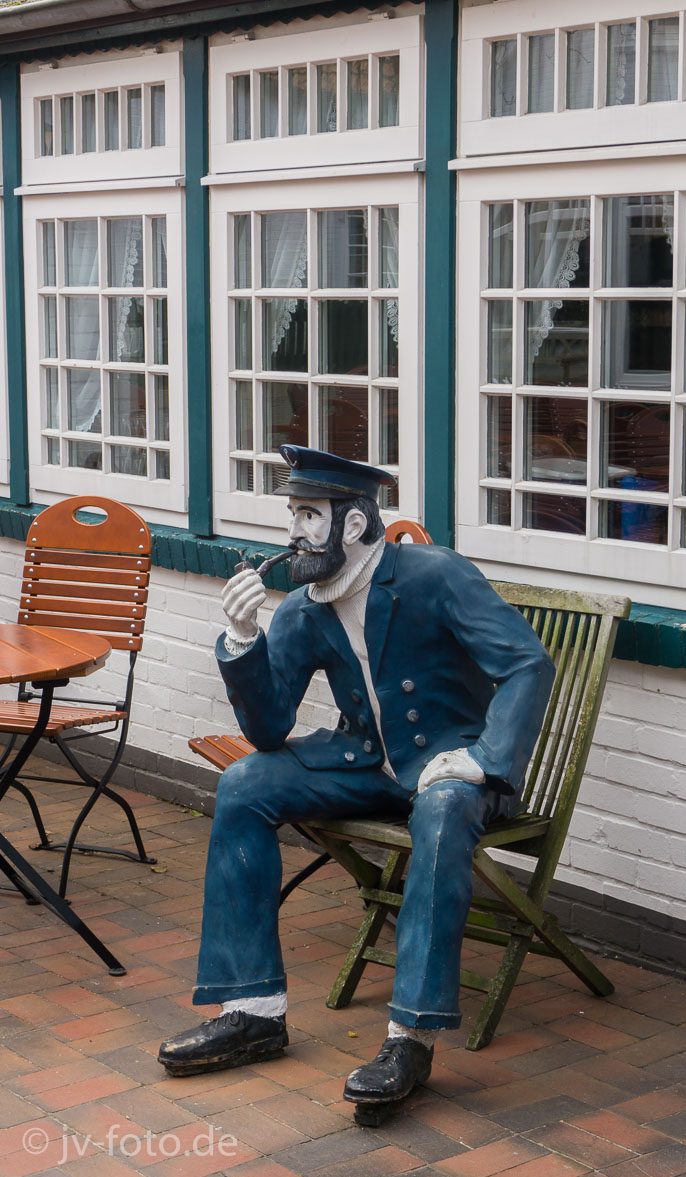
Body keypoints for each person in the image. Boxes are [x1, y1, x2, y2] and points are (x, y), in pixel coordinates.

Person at [158, 444, 555, 1118]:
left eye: (309, 514)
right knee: (245, 784)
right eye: (293, 513)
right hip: (364, 766)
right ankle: (252, 1011)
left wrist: (485, 759)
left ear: (354, 523)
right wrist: (244, 637)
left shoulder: (435, 575)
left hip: (454, 769)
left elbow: (527, 665)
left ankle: (410, 1038)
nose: (294, 531)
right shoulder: (305, 607)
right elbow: (268, 728)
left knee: (442, 810)